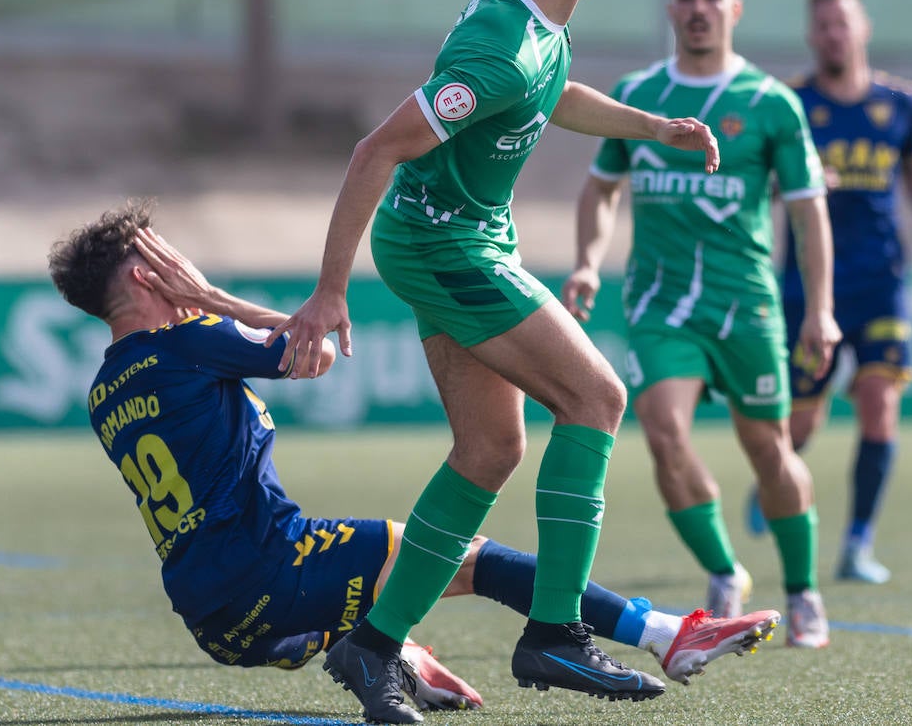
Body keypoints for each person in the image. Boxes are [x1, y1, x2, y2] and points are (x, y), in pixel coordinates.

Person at [270, 0, 731, 722]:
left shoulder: (522, 18)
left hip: (453, 241)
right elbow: (376, 150)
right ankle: (554, 631)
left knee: (489, 450)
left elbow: (551, 89)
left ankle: (373, 649)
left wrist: (654, 128)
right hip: (448, 246)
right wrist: (328, 291)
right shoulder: (502, 46)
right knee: (598, 399)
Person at [47, 202, 780, 724]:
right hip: (276, 569)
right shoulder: (189, 337)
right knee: (461, 556)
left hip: (215, 618)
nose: (185, 265)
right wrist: (208, 297)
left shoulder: (104, 389)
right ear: (148, 276)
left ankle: (393, 657)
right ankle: (667, 636)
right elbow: (317, 352)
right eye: (168, 254)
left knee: (414, 563)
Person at [561, 0, 839, 650]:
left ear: (733, 10)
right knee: (663, 431)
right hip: (659, 304)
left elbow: (807, 213)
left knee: (768, 450)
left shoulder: (772, 104)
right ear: (669, 9)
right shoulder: (638, 92)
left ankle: (803, 591)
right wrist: (589, 263)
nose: (697, 8)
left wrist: (820, 309)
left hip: (745, 304)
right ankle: (723, 572)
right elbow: (601, 188)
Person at [754, 0, 912, 584]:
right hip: (808, 283)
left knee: (880, 403)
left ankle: (857, 543)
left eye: (841, 23)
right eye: (821, 25)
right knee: (801, 422)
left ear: (862, 28)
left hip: (880, 279)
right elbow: (760, 184)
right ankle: (775, 478)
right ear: (810, 36)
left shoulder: (899, 103)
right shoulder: (789, 102)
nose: (832, 34)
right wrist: (801, 181)